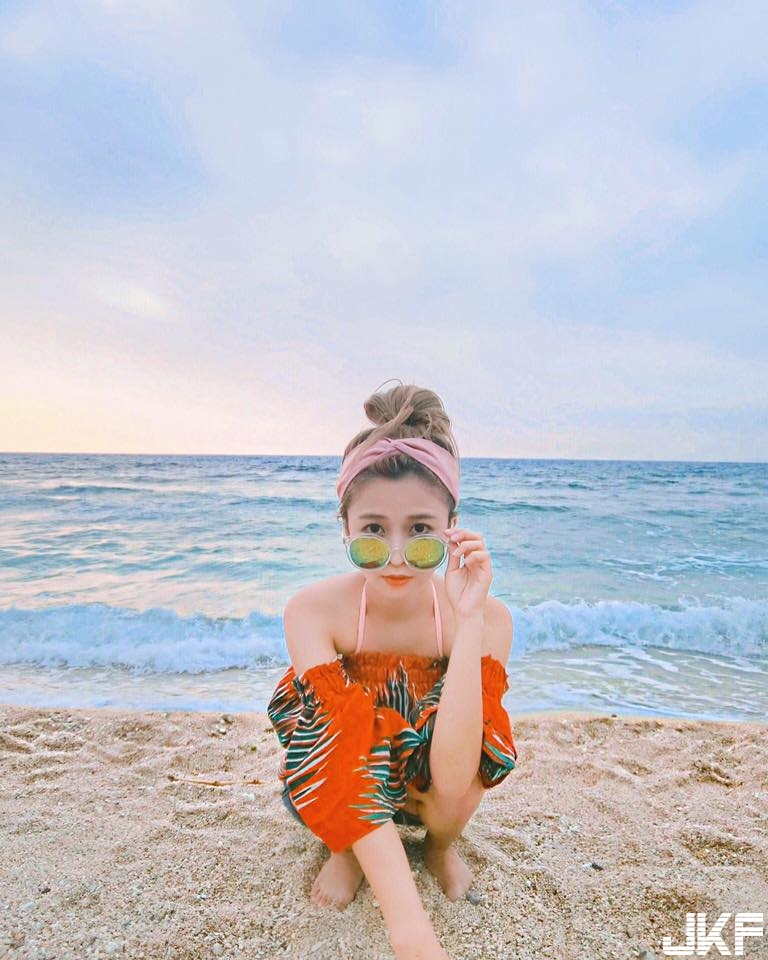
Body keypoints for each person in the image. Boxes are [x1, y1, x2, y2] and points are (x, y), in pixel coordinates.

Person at [267, 381, 518, 960]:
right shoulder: (313, 610)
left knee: (464, 779)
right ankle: (352, 856)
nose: (398, 556)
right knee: (339, 734)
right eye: (374, 532)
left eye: (422, 531)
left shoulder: (487, 618)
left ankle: (437, 848)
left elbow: (454, 774)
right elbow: (336, 745)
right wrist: (410, 930)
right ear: (346, 528)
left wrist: (469, 620)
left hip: (432, 782)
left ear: (452, 526)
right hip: (340, 775)